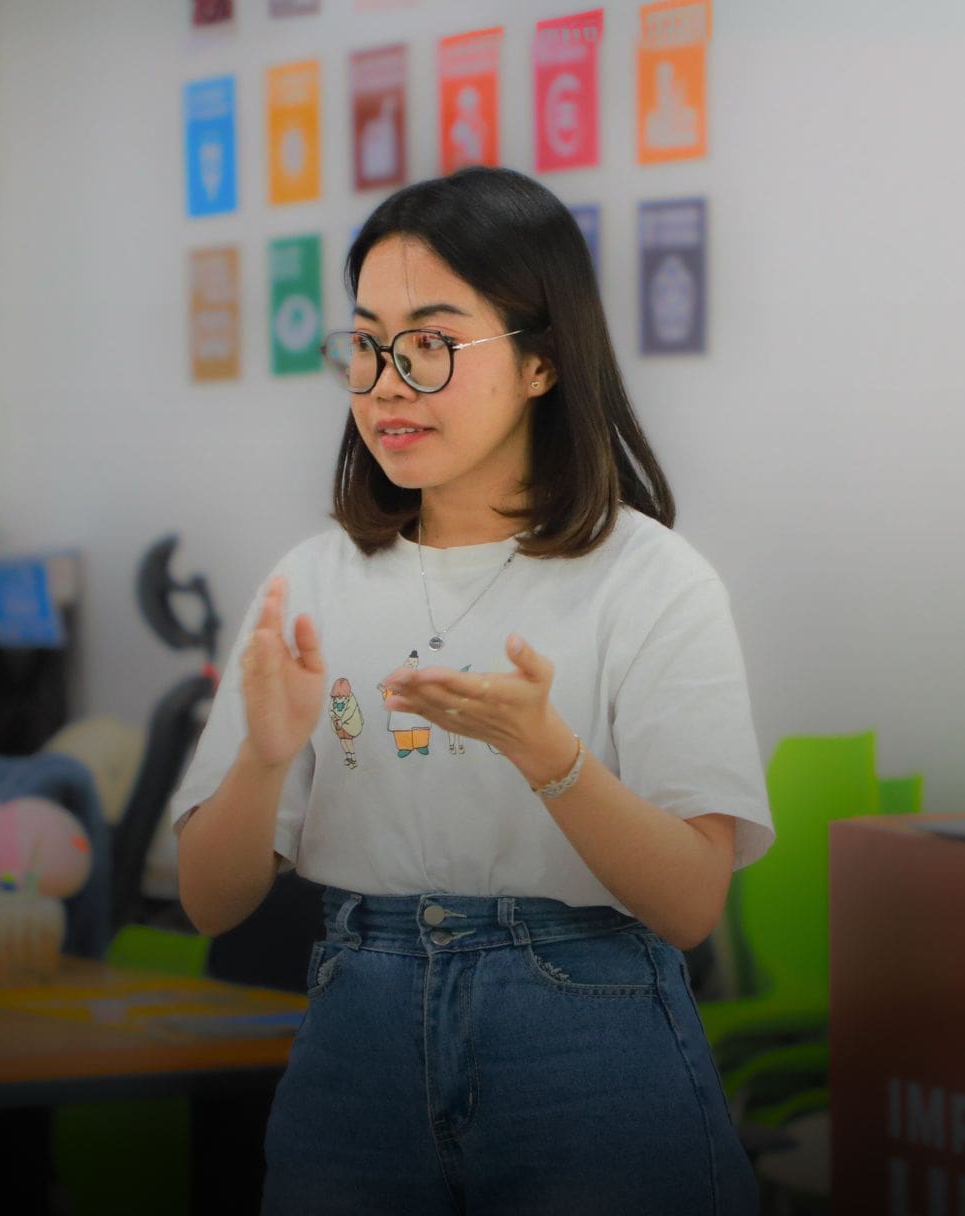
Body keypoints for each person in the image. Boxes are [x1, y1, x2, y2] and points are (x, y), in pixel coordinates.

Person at [171, 165, 774, 1215]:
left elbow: (687, 903)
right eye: (364, 344)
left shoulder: (649, 578)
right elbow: (208, 900)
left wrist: (551, 757)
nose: (386, 383)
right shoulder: (310, 581)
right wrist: (265, 758)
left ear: (541, 360)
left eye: (429, 343)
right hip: (356, 1030)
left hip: (588, 1035)